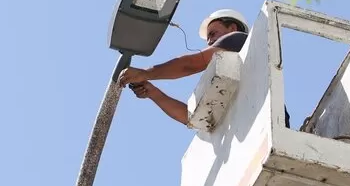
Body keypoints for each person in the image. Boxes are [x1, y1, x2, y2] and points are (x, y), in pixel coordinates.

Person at [117, 9, 291, 127]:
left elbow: (189, 65)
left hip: (264, 125)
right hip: (253, 133)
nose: (209, 42)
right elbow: (190, 117)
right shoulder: (225, 79)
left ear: (232, 28)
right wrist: (153, 92)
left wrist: (145, 73)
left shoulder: (238, 39)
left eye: (213, 33)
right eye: (208, 38)